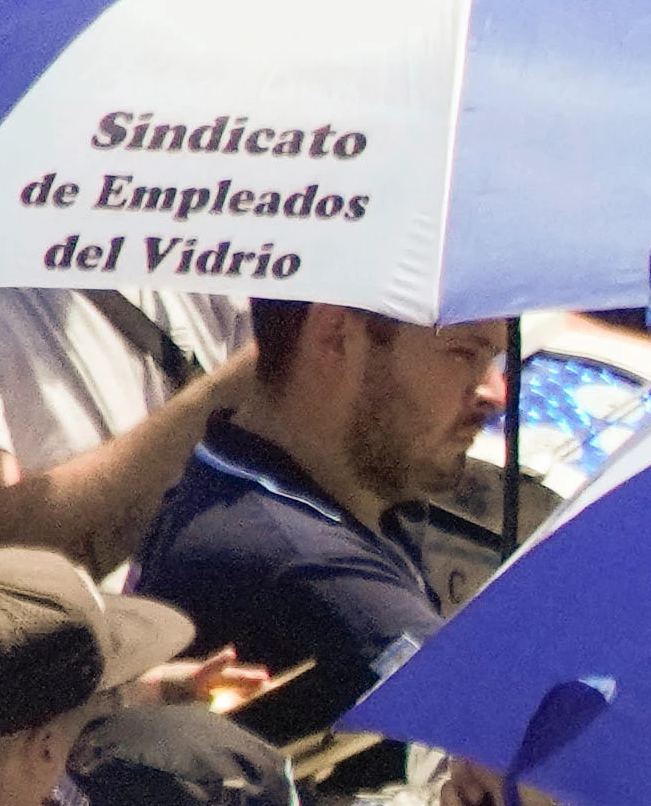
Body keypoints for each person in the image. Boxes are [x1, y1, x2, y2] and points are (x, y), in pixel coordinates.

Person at [127, 305, 501, 745]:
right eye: (462, 352)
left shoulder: (240, 473)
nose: (494, 393)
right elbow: (504, 741)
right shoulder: (300, 561)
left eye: (495, 358)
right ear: (336, 333)